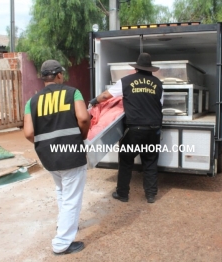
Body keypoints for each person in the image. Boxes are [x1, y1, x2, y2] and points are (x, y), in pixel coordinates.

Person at [23, 60, 90, 255]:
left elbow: (28, 133)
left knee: (62, 192)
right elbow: (84, 118)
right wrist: (83, 135)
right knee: (71, 198)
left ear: (43, 78)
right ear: (59, 75)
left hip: (49, 157)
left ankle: (65, 226)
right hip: (71, 153)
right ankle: (62, 243)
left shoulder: (31, 101)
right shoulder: (72, 93)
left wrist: (45, 144)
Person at [89, 53, 163, 204]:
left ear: (136, 68)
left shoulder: (126, 81)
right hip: (153, 128)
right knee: (150, 161)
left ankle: (122, 194)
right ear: (150, 69)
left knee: (126, 161)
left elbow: (105, 96)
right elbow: (160, 104)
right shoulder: (158, 83)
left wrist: (93, 101)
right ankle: (150, 195)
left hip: (134, 129)